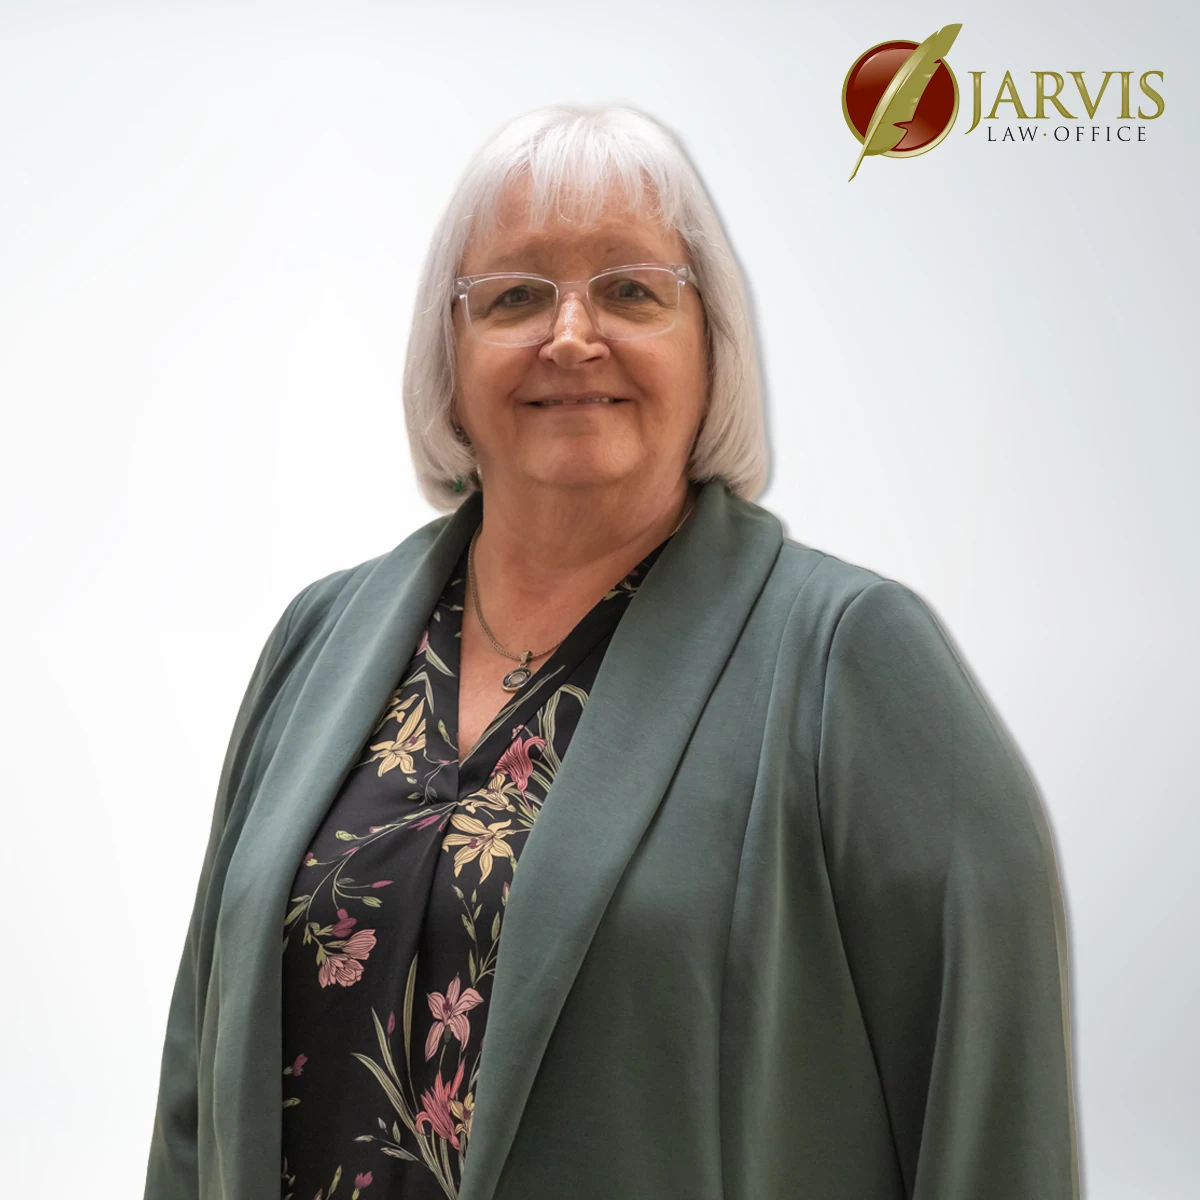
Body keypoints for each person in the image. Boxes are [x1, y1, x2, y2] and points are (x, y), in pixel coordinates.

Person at [142, 104, 1081, 1200]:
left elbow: (994, 1108)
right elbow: (196, 1102)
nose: (572, 335)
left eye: (632, 290)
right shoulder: (319, 639)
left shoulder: (849, 661)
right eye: (514, 296)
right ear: (446, 360)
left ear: (713, 344)